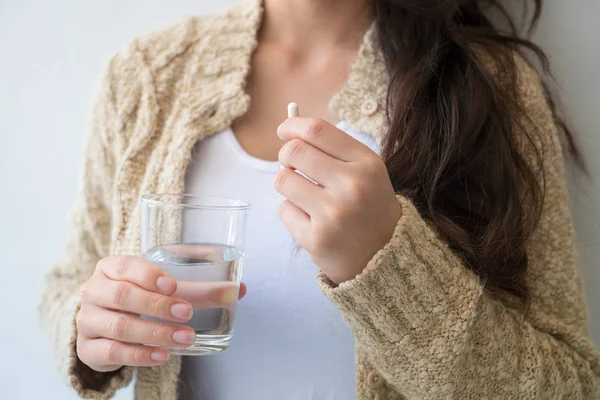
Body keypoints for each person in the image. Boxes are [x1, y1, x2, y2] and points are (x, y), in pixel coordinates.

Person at [40, 0, 600, 399]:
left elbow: (571, 384)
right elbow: (71, 280)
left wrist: (388, 266)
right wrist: (90, 328)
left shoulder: (488, 86)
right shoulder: (143, 77)